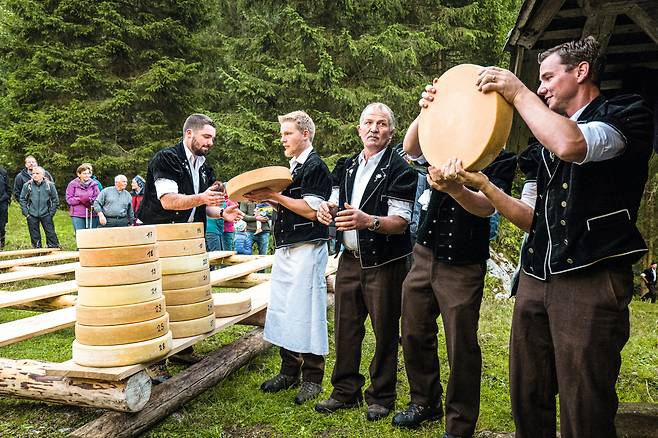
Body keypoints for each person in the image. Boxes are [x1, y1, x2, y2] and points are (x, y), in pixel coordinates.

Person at [442, 37, 654, 437]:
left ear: (581, 71)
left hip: (591, 279)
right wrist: (482, 186)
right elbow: (530, 218)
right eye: (537, 81)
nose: (540, 88)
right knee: (528, 388)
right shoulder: (542, 144)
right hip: (536, 279)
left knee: (584, 400)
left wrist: (518, 91)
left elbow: (572, 144)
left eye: (548, 77)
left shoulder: (626, 114)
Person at [391, 111, 515, 436]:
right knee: (414, 331)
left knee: (461, 345)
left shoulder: (501, 157)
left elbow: (487, 207)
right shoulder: (441, 143)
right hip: (424, 253)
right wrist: (426, 109)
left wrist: (456, 189)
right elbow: (411, 148)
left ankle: (459, 423)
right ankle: (425, 401)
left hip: (463, 263)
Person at [315, 103, 417, 422]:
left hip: (386, 262)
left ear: (391, 131)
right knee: (346, 327)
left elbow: (401, 221)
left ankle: (382, 395)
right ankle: (345, 390)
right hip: (348, 259)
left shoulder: (401, 169)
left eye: (381, 123)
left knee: (385, 329)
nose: (373, 128)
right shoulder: (346, 165)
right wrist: (325, 211)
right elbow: (332, 201)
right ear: (358, 129)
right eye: (367, 123)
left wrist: (368, 221)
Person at [137, 113, 242, 371]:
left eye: (213, 138)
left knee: (184, 292)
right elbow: (169, 200)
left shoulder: (205, 167)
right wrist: (203, 199)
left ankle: (182, 350)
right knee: (157, 297)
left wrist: (221, 212)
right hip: (158, 235)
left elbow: (203, 205)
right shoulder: (167, 158)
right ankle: (154, 359)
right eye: (206, 136)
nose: (210, 142)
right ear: (189, 134)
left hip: (188, 237)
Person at [244, 110, 332, 405]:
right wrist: (268, 197)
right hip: (287, 245)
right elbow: (290, 204)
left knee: (307, 308)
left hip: (308, 246)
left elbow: (310, 209)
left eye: (287, 133)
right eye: (281, 134)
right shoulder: (291, 168)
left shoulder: (316, 166)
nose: (282, 139)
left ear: (305, 134)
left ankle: (313, 377)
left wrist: (276, 196)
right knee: (282, 306)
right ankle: (289, 369)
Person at [18, 166, 60, 248]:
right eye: (33, 173)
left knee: (50, 233)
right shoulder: (27, 185)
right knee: (34, 235)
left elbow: (55, 200)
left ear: (43, 175)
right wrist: (26, 213)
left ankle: (54, 249)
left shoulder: (50, 185)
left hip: (46, 214)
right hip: (32, 214)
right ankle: (37, 251)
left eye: (37, 173)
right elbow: (22, 199)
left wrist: (51, 213)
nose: (35, 175)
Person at [65, 164, 101, 232]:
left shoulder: (94, 184)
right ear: (79, 174)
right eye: (84, 173)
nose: (86, 175)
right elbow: (69, 199)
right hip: (77, 214)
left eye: (88, 173)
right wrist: (79, 199)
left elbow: (98, 198)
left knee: (92, 235)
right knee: (80, 235)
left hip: (92, 213)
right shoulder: (72, 184)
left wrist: (90, 200)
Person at [0, 165, 10, 249]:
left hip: (2, 202)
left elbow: (8, 187)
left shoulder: (3, 171)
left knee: (2, 225)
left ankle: (1, 244)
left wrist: (7, 199)